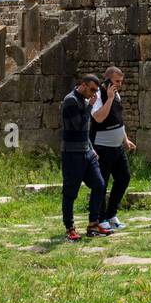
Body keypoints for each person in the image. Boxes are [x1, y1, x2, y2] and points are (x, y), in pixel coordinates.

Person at [61, 74, 110, 242]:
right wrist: (89, 107)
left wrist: (90, 147)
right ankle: (70, 228)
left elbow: (84, 131)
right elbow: (78, 125)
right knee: (70, 193)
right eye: (92, 90)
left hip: (86, 152)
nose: (94, 94)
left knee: (99, 184)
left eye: (96, 90)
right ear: (82, 85)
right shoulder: (71, 101)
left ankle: (93, 224)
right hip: (72, 154)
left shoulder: (83, 100)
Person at [90, 66, 136, 230]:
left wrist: (125, 139)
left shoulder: (116, 94)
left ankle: (111, 214)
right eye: (117, 81)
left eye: (121, 82)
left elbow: (118, 118)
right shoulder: (98, 95)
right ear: (108, 80)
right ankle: (100, 218)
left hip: (117, 146)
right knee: (102, 183)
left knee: (124, 178)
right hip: (102, 148)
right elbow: (99, 118)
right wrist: (108, 98)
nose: (119, 85)